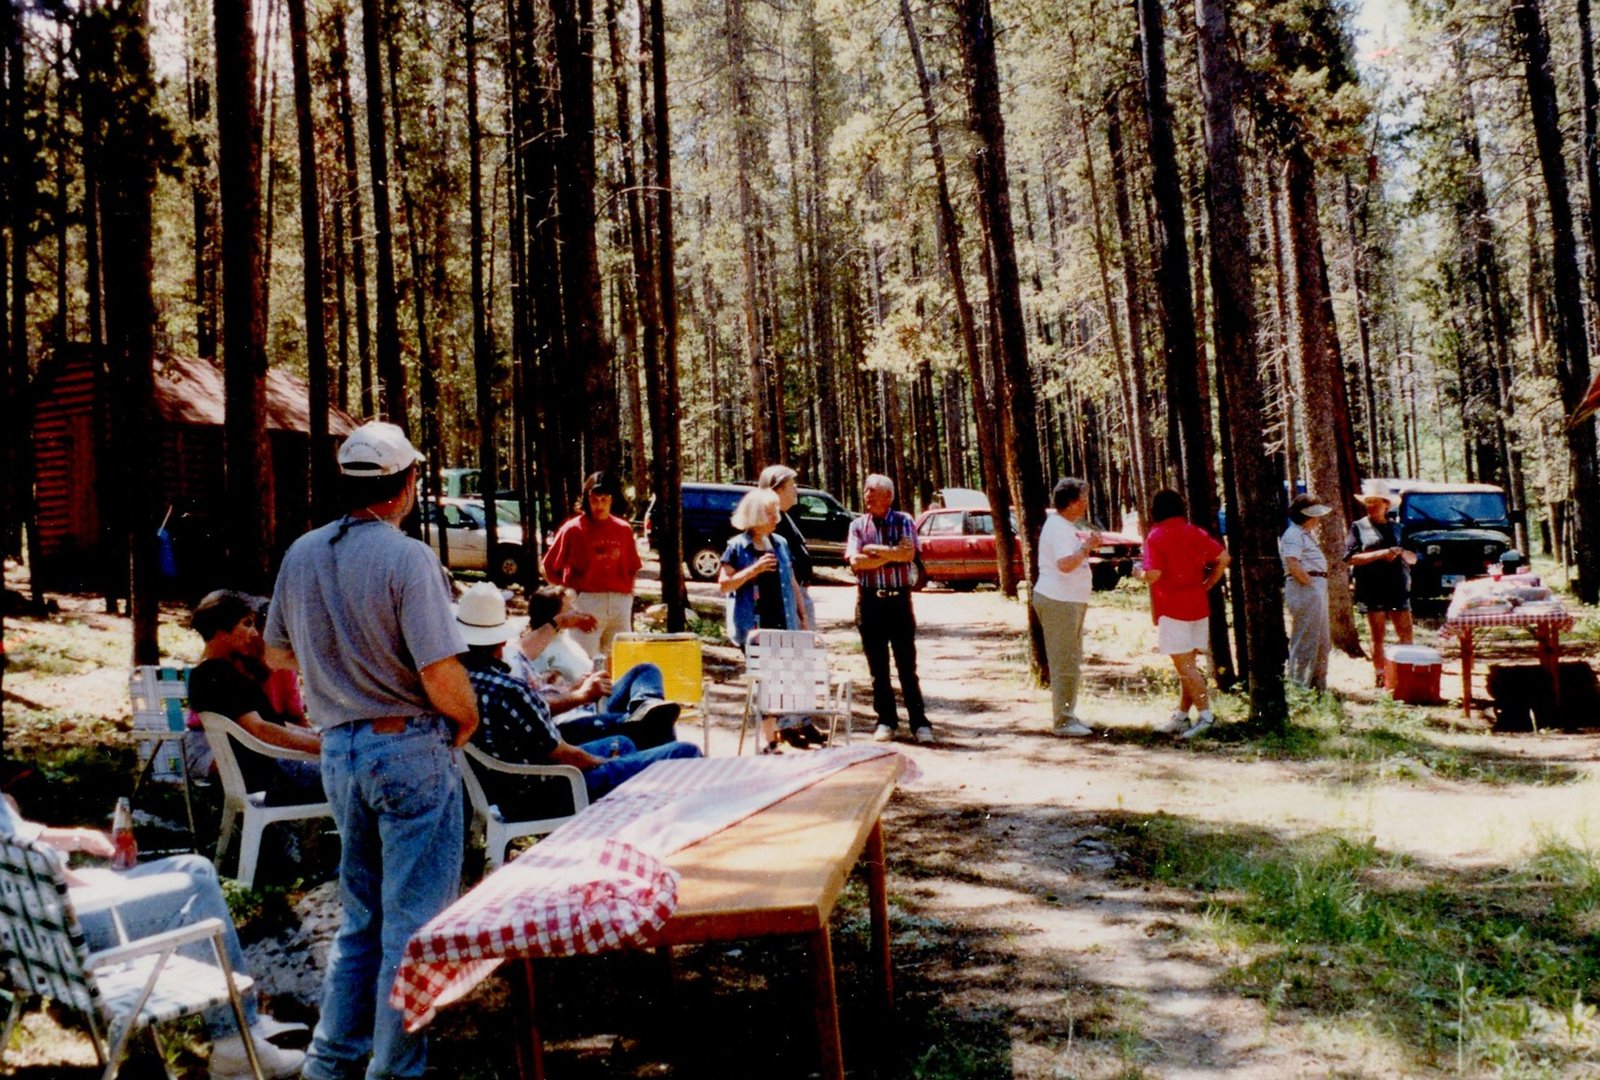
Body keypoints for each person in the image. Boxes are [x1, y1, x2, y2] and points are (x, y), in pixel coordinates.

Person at [263, 421, 479, 1080]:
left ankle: (330, 1063)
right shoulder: (408, 557)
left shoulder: (302, 553)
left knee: (361, 918)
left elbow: (276, 652)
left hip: (339, 752)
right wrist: (465, 718)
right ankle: (393, 1069)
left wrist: (338, 666)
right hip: (406, 745)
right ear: (406, 484)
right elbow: (440, 670)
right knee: (412, 924)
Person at [0, 795, 307, 1079]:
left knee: (196, 868)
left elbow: (16, 833)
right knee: (196, 892)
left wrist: (81, 837)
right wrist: (89, 884)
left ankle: (243, 1021)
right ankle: (233, 1040)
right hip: (56, 930)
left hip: (49, 915)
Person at [454, 583, 701, 808]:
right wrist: (605, 763)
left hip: (505, 789)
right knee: (683, 752)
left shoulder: (456, 684)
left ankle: (645, 722)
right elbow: (563, 754)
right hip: (548, 791)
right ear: (500, 642)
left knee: (624, 743)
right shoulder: (510, 690)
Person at [187, 589, 323, 804]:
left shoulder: (222, 673)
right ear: (222, 630)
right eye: (246, 624)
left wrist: (316, 736)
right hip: (270, 774)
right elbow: (260, 729)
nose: (254, 633)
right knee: (356, 774)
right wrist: (323, 747)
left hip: (272, 768)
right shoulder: (214, 675)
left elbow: (275, 724)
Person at [510, 584, 683, 749]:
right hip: (575, 713)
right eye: (570, 609)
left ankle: (646, 706)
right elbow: (542, 700)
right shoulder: (538, 651)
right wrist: (578, 691)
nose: (577, 612)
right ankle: (657, 737)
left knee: (646, 670)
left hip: (593, 699)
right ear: (554, 615)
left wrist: (580, 685)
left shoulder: (565, 639)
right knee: (655, 724)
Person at [719, 487, 816, 751]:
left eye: (776, 512)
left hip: (784, 621)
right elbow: (724, 585)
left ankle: (781, 733)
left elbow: (792, 582)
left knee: (783, 680)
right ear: (755, 515)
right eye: (771, 513)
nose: (777, 518)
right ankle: (770, 741)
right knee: (764, 682)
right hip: (753, 627)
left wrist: (802, 617)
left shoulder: (780, 543)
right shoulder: (736, 546)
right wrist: (754, 570)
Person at [847, 473, 932, 745]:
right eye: (866, 491)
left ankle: (919, 723)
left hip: (899, 602)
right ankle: (886, 721)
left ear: (889, 496)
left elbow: (909, 555)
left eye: (873, 492)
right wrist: (892, 554)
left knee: (907, 666)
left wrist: (874, 550)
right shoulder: (857, 525)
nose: (867, 496)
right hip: (869, 602)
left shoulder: (904, 520)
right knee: (878, 669)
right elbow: (856, 562)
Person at [1138, 489, 1230, 739]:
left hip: (1172, 607)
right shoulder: (1194, 531)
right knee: (1188, 666)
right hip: (1198, 604)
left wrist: (1139, 574)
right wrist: (1208, 584)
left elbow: (1153, 574)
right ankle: (1181, 716)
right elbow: (1224, 557)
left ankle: (1207, 717)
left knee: (1186, 667)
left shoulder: (1156, 535)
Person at [540, 471, 642, 658]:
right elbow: (547, 567)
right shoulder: (573, 529)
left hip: (620, 604)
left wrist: (627, 598)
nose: (599, 506)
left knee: (620, 661)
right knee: (582, 661)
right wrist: (568, 599)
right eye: (594, 500)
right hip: (586, 603)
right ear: (587, 500)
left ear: (612, 500)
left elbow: (632, 568)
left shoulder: (623, 529)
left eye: (604, 500)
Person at [1033, 478, 1102, 736]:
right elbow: (1065, 564)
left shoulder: (1064, 526)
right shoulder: (1059, 528)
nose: (1086, 505)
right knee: (1064, 662)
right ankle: (1063, 721)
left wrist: (1086, 547)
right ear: (1071, 503)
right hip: (1059, 601)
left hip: (1069, 600)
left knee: (1071, 660)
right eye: (1083, 500)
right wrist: (1087, 547)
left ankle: (1068, 715)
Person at [1344, 485, 1415, 687]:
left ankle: (1405, 673)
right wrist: (1381, 554)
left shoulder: (1399, 529)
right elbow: (1350, 558)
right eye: (1368, 502)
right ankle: (1381, 675)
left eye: (1375, 502)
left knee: (1406, 633)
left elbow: (1413, 558)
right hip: (1371, 588)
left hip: (1397, 587)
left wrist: (1402, 553)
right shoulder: (1358, 527)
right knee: (1377, 636)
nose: (1371, 506)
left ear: (1386, 505)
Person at [1280, 494, 1334, 691]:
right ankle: (1299, 687)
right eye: (1315, 515)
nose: (1317, 519)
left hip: (1316, 587)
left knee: (1321, 640)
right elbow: (1292, 563)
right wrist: (1309, 583)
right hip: (1306, 588)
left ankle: (1317, 687)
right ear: (1307, 516)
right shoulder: (1293, 534)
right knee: (1305, 639)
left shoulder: (1303, 535)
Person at [758, 464, 817, 629]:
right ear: (778, 491)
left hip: (798, 595)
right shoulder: (768, 524)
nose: (796, 489)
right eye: (792, 485)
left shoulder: (784, 516)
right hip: (787, 598)